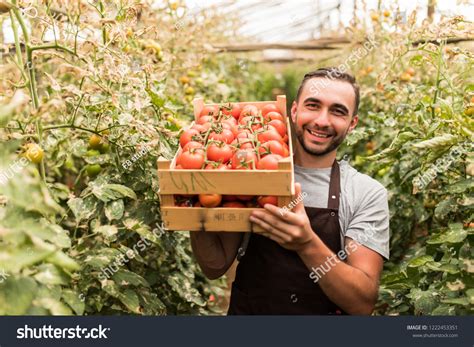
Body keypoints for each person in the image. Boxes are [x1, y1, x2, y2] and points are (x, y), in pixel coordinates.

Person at [190, 67, 390, 315]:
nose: (322, 120)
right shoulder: (253, 171)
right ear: (294, 111)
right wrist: (196, 204)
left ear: (352, 124)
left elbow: (362, 303)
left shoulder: (365, 193)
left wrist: (306, 244)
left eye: (338, 111)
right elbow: (215, 266)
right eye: (313, 105)